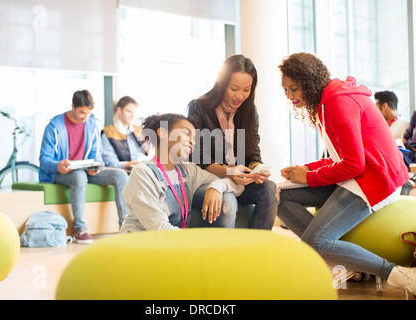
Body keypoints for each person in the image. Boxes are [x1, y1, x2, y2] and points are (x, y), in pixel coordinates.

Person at [277, 52, 415, 295]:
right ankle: (341, 251)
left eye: (294, 88)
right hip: (358, 177)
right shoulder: (327, 101)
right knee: (280, 196)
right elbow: (340, 157)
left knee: (315, 242)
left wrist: (308, 178)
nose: (289, 96)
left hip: (375, 181)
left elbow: (354, 164)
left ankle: (399, 275)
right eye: (286, 90)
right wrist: (309, 168)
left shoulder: (336, 103)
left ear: (309, 83)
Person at [187, 54, 278, 230]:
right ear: (222, 83)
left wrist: (257, 169)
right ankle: (225, 257)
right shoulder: (198, 107)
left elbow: (253, 154)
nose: (240, 96)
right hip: (206, 180)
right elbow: (197, 158)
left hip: (237, 181)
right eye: (234, 88)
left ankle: (255, 249)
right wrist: (229, 172)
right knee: (227, 203)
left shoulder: (250, 112)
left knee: (269, 189)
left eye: (247, 89)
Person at [119, 113, 244, 232]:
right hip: (139, 246)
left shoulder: (188, 171)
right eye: (186, 133)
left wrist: (216, 187)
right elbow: (159, 229)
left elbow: (239, 185)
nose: (192, 142)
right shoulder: (143, 173)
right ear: (163, 133)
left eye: (194, 138)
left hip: (170, 244)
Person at [39, 90, 129, 244]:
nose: (85, 117)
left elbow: (96, 155)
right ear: (73, 106)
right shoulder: (54, 126)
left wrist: (96, 166)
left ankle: (126, 226)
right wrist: (57, 166)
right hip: (61, 172)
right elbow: (44, 160)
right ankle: (81, 229)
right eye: (81, 112)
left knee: (120, 175)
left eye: (88, 113)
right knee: (79, 176)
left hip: (86, 170)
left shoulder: (92, 125)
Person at [101, 96, 150, 172]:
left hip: (146, 167)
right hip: (129, 171)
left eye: (134, 112)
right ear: (119, 111)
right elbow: (112, 163)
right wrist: (131, 164)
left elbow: (150, 153)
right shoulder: (108, 133)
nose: (133, 115)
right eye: (129, 111)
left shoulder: (138, 130)